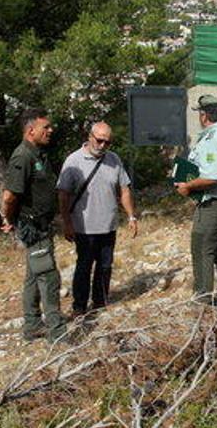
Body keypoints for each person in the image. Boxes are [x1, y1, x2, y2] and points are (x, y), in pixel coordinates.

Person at [57, 122, 138, 317]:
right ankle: (79, 306)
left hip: (108, 225)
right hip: (84, 227)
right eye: (99, 140)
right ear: (90, 136)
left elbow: (124, 189)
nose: (102, 145)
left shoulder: (114, 160)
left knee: (105, 265)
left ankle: (100, 302)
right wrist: (67, 223)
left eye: (107, 142)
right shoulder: (74, 160)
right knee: (84, 266)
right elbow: (63, 194)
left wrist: (131, 216)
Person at [1, 108, 68, 343]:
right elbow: (9, 196)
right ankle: (57, 333)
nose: (51, 130)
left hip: (43, 225)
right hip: (33, 227)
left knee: (33, 275)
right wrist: (8, 220)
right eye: (45, 127)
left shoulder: (39, 154)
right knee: (48, 277)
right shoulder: (23, 157)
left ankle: (32, 325)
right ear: (31, 131)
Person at [175, 94, 217, 306]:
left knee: (202, 248)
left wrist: (187, 186)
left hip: (216, 203)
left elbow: (212, 177)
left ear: (204, 116)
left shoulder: (214, 139)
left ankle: (203, 300)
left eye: (200, 114)